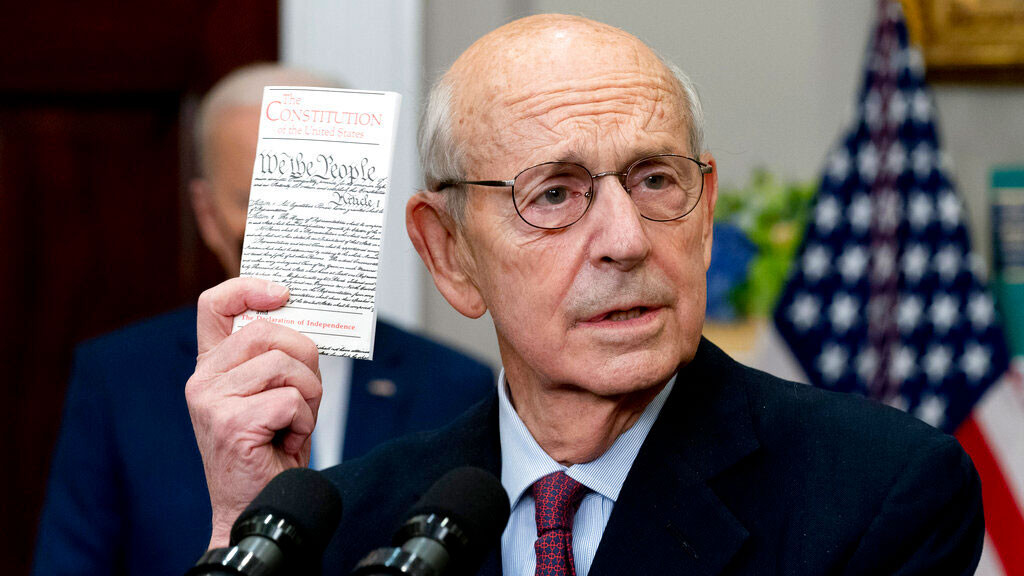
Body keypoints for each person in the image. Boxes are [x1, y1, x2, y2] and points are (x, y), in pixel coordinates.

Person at [187, 17, 985, 576]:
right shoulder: (357, 514)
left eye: (655, 180)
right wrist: (244, 532)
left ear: (705, 218)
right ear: (450, 252)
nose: (626, 238)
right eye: (557, 194)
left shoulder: (879, 493)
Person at [31, 64, 495, 576]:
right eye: (260, 204)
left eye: (317, 199)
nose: (292, 226)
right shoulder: (120, 382)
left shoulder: (457, 386)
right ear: (207, 216)